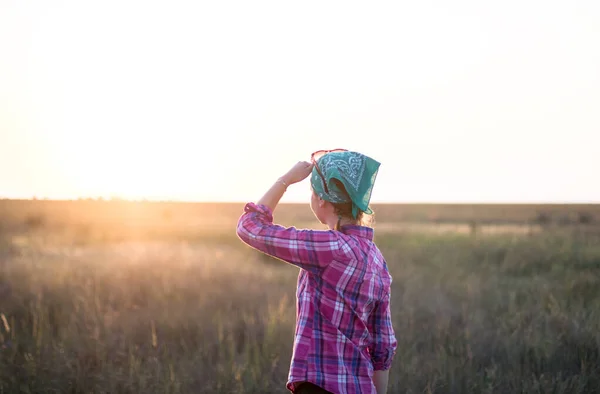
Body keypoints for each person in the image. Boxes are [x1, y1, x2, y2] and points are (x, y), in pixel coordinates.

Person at [236, 149, 397, 394]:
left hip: (321, 387)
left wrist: (286, 180)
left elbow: (250, 227)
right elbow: (383, 346)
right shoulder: (377, 260)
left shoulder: (330, 247)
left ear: (322, 199)